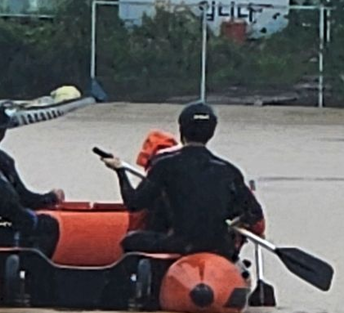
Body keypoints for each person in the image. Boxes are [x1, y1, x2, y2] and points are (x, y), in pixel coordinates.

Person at [102, 102, 263, 260]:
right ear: (212, 132)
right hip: (219, 246)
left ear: (181, 130)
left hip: (181, 244)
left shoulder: (164, 165)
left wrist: (120, 171)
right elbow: (254, 213)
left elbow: (134, 203)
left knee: (129, 241)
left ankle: (139, 284)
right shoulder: (229, 170)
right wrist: (236, 224)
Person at [0, 110, 63, 256]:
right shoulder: (4, 162)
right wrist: (51, 198)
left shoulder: (4, 161)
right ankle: (34, 274)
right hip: (7, 226)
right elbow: (19, 201)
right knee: (47, 225)